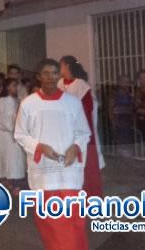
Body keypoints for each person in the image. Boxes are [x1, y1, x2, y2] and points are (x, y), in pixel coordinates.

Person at [15, 59, 91, 250]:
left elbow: (84, 132)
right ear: (38, 76)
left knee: (74, 221)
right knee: (51, 224)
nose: (51, 77)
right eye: (46, 73)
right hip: (44, 173)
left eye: (55, 73)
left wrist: (75, 147)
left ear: (60, 76)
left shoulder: (72, 102)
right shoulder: (28, 104)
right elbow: (20, 134)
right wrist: (39, 146)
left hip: (69, 172)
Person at [58, 55, 104, 197]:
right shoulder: (59, 83)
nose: (60, 69)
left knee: (84, 163)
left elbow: (88, 109)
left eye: (61, 66)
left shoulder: (81, 85)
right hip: (63, 131)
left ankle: (88, 195)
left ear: (67, 66)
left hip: (79, 130)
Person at [0, 78, 26, 193]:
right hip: (9, 134)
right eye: (14, 85)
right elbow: (6, 119)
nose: (16, 88)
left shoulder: (14, 99)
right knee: (12, 160)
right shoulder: (5, 100)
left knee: (15, 159)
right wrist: (14, 128)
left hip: (15, 132)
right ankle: (13, 183)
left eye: (16, 85)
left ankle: (12, 182)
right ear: (8, 87)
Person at [109, 75, 135, 158]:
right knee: (122, 143)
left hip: (129, 122)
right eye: (124, 82)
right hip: (119, 121)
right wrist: (113, 122)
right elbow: (110, 109)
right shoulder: (114, 94)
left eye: (128, 82)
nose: (126, 84)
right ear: (119, 83)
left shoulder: (129, 95)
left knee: (128, 141)